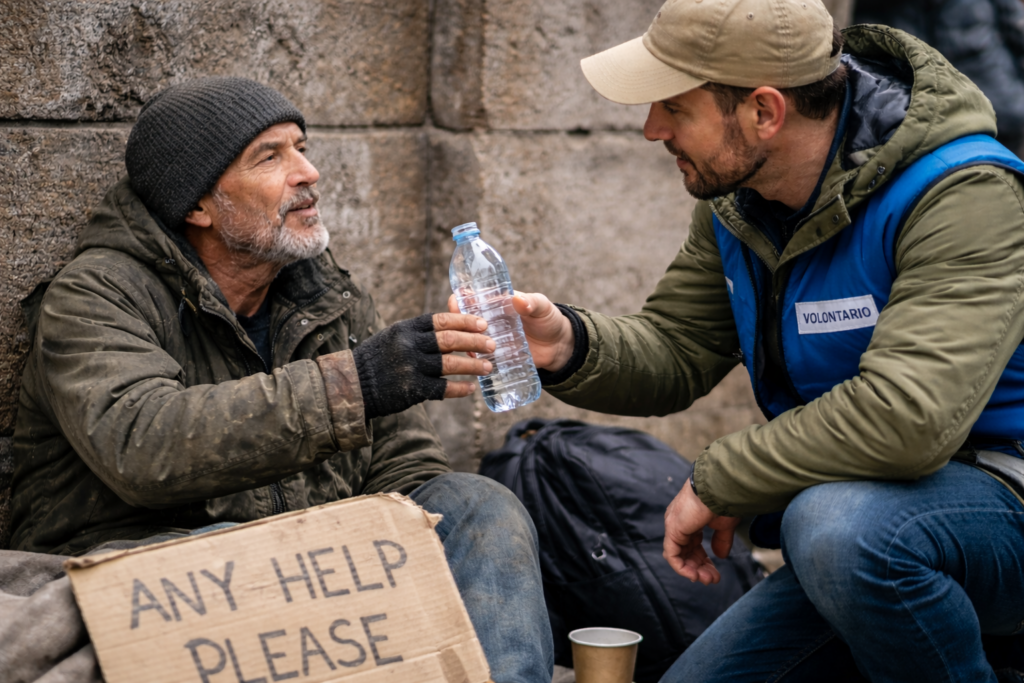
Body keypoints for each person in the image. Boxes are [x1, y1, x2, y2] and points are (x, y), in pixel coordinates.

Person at [465, 0, 1024, 680]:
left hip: (990, 504)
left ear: (764, 111)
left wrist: (722, 477)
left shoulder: (962, 191)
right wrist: (569, 342)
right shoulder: (740, 202)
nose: (650, 129)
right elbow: (676, 347)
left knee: (834, 525)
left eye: (674, 107)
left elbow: (907, 417)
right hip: (860, 523)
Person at [9, 77, 552, 683]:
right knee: (224, 546)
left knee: (476, 505)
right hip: (149, 569)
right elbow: (142, 446)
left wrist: (385, 534)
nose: (308, 172)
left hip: (310, 572)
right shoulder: (97, 294)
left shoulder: (325, 293)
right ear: (198, 206)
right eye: (270, 157)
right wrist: (360, 382)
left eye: (301, 147)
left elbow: (407, 474)